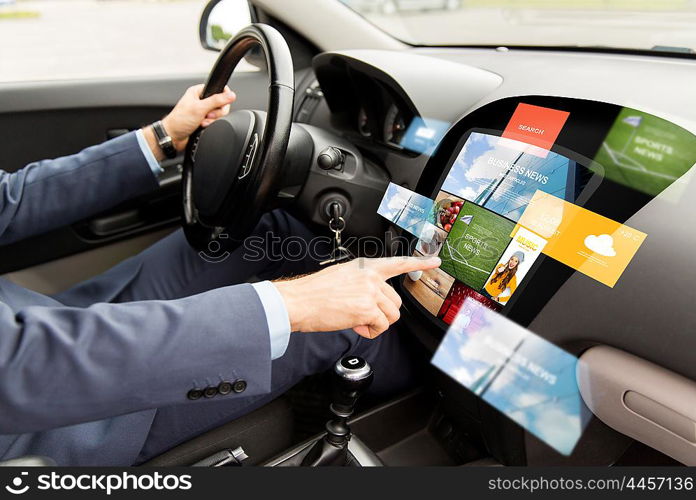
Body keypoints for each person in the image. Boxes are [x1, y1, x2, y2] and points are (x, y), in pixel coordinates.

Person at [0, 85, 440, 466]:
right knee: (351, 322)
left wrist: (163, 137)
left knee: (271, 232)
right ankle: (444, 405)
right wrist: (294, 303)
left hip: (42, 321)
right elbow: (22, 364)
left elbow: (8, 201)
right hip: (51, 415)